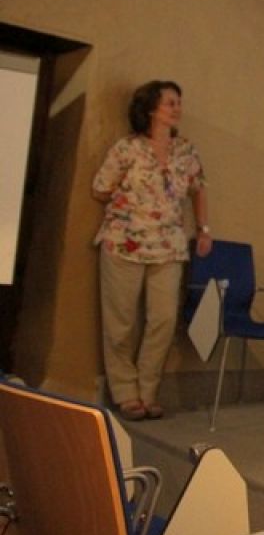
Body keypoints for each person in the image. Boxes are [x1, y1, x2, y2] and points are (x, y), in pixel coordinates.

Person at [92, 80, 212, 420]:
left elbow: (199, 189)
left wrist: (204, 230)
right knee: (120, 322)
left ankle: (148, 391)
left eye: (178, 102)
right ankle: (125, 393)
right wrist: (133, 206)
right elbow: (101, 188)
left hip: (169, 246)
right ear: (150, 109)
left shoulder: (185, 150)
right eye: (170, 103)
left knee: (163, 319)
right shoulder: (127, 148)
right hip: (123, 243)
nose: (177, 108)